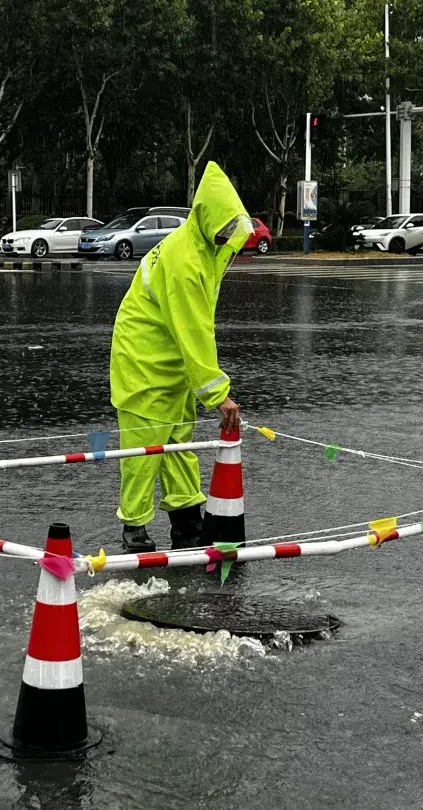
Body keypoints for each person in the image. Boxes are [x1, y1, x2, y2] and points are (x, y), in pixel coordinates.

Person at [109, 161, 252, 552]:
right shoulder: (184, 260)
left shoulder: (205, 248)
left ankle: (187, 519)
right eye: (223, 227)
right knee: (143, 448)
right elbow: (194, 330)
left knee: (177, 442)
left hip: (169, 358)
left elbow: (195, 328)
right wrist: (217, 393)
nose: (228, 236)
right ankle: (134, 531)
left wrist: (201, 383)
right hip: (143, 361)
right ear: (208, 217)